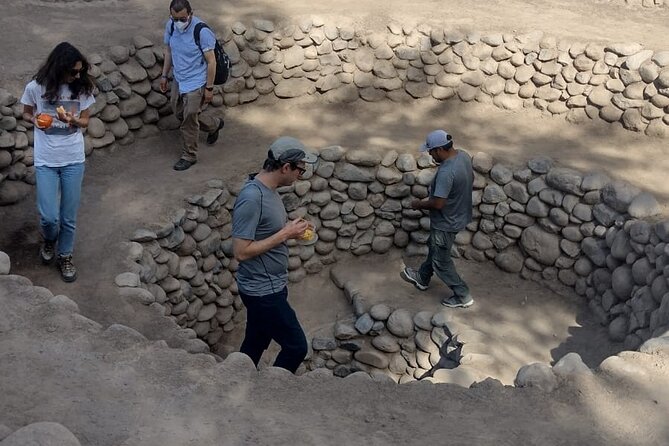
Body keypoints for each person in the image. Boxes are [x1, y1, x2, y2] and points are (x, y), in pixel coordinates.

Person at [232, 136, 318, 373]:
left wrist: (290, 230)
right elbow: (240, 252)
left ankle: (236, 377)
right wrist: (285, 234)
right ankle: (271, 391)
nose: (301, 175)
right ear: (285, 167)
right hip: (262, 291)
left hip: (270, 285)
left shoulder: (269, 190)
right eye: (300, 169)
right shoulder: (252, 198)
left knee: (256, 340)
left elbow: (263, 230)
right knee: (296, 346)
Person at [20, 42, 95, 283]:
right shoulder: (35, 87)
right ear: (59, 67)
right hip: (46, 160)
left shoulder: (82, 88)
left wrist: (73, 119)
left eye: (80, 71)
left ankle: (65, 255)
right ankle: (50, 239)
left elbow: (85, 122)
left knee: (68, 216)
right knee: (49, 217)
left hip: (73, 158)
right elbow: (25, 112)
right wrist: (36, 120)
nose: (77, 75)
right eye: (73, 71)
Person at [400, 130, 475, 308]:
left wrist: (418, 204)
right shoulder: (463, 156)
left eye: (431, 151)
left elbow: (438, 203)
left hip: (446, 221)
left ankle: (463, 295)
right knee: (436, 248)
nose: (430, 154)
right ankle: (423, 278)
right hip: (459, 214)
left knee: (441, 261)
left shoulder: (446, 172)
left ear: (440, 149)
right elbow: (472, 178)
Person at [160, 0, 225, 171]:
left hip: (196, 81)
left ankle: (189, 155)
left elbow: (212, 62)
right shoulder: (171, 26)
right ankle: (213, 125)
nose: (179, 23)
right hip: (179, 78)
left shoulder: (202, 32)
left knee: (189, 119)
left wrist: (209, 89)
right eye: (175, 19)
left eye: (183, 19)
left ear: (190, 14)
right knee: (180, 112)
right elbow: (169, 51)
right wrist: (164, 75)